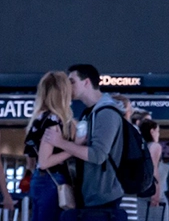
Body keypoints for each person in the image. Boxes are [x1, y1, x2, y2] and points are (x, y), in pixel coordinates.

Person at [43, 64, 128, 221]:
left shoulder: (106, 113)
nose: (68, 86)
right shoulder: (90, 113)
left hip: (102, 198)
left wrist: (61, 143)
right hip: (92, 196)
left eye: (72, 81)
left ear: (87, 82)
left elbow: (98, 155)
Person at [26, 72, 78, 221]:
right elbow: (45, 161)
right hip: (52, 182)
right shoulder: (53, 121)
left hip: (40, 181)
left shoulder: (39, 119)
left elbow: (31, 159)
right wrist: (73, 148)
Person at [135, 120, 164, 221]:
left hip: (138, 187)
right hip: (149, 188)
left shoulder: (140, 146)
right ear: (152, 131)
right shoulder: (155, 146)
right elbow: (153, 168)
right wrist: (157, 191)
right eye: (158, 131)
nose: (158, 134)